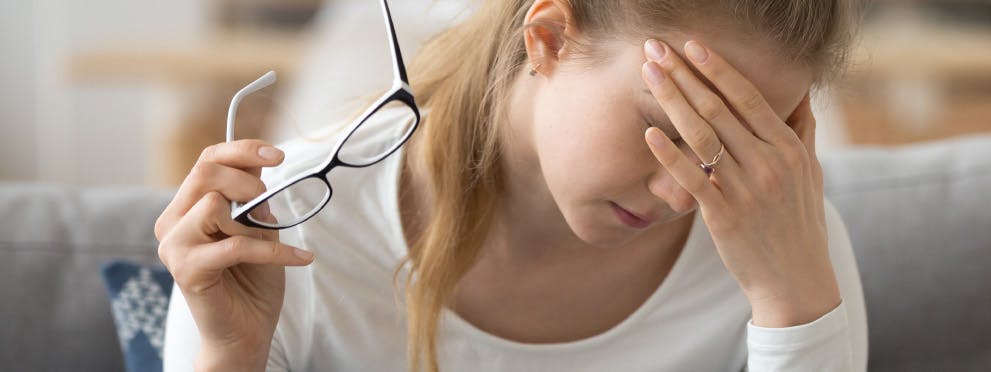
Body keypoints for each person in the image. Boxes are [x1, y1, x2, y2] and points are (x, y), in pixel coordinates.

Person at [156, 0, 865, 371]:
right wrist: (230, 357)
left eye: (741, 146)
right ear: (548, 38)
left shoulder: (787, 248)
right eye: (670, 126)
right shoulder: (291, 219)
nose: (683, 194)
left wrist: (795, 308)